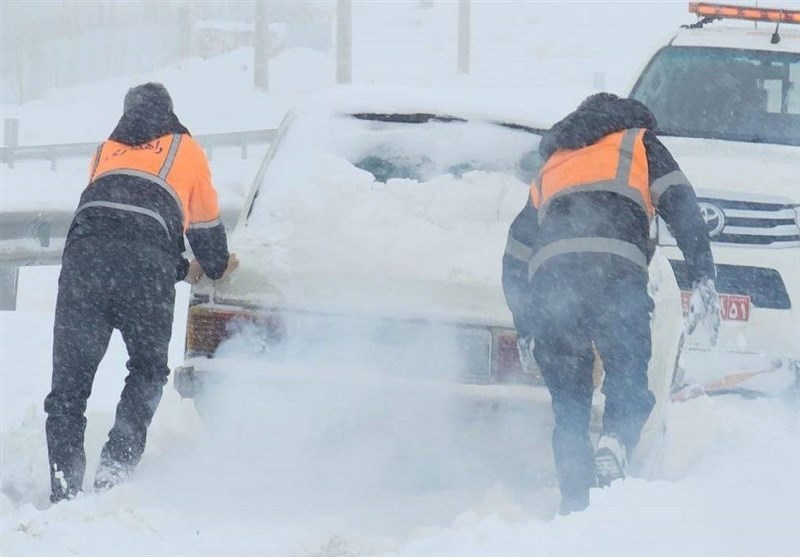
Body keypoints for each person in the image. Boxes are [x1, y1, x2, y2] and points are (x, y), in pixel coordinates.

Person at [502, 92, 719, 515]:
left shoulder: (555, 163)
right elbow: (683, 206)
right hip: (615, 273)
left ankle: (574, 507)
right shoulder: (637, 143)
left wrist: (526, 324)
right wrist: (703, 275)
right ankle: (616, 442)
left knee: (569, 405)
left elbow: (514, 254)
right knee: (628, 374)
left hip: (553, 284)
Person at [44, 82, 239, 503]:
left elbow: (114, 224)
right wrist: (214, 265)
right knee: (148, 370)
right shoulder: (185, 149)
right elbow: (195, 228)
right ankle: (117, 464)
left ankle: (63, 485)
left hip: (84, 266)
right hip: (145, 272)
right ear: (170, 113)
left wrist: (172, 265)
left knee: (68, 390)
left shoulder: (106, 150)